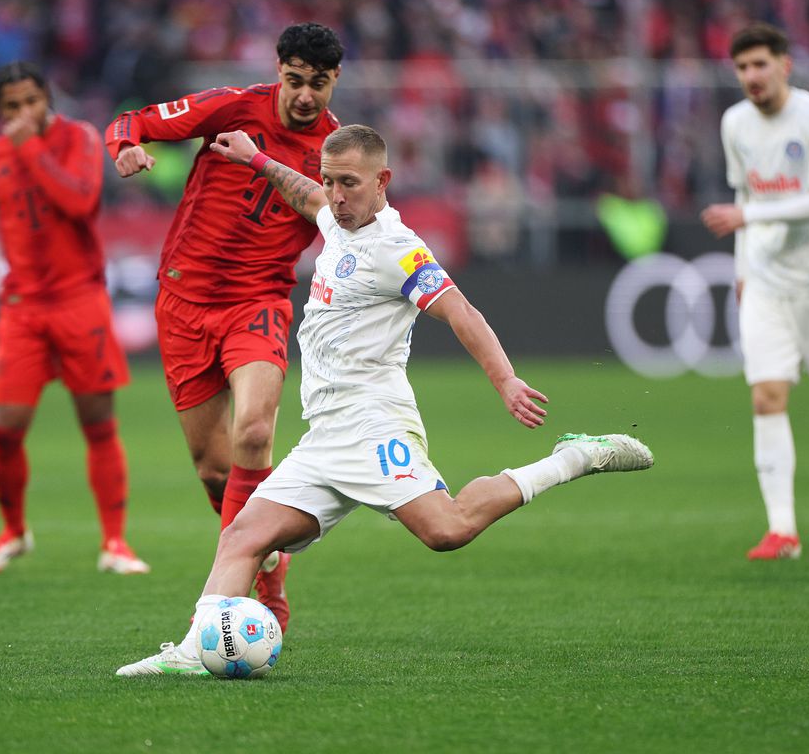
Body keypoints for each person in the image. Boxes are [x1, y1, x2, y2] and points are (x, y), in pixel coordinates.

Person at [114, 125, 654, 676]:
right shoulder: (336, 215)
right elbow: (307, 195)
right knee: (242, 537)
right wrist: (258, 160)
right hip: (325, 435)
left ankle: (576, 458)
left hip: (375, 426)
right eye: (331, 180)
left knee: (446, 531)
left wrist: (506, 381)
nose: (337, 195)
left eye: (349, 183)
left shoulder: (397, 250)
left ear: (383, 181)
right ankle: (192, 651)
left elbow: (462, 312)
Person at [103, 22, 344, 629]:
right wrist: (125, 149)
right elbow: (130, 120)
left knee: (255, 434)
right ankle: (267, 564)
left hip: (258, 301)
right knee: (213, 467)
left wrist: (259, 162)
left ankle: (233, 591)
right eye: (295, 81)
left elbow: (337, 214)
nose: (305, 96)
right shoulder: (233, 106)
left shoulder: (337, 149)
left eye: (318, 84)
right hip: (184, 302)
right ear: (279, 70)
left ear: (334, 80)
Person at [0, 61, 148, 576]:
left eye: (30, 102)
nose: (23, 114)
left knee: (98, 423)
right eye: (11, 108)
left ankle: (115, 542)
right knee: (6, 427)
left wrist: (31, 147)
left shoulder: (81, 139)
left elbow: (80, 201)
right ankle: (13, 531)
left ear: (48, 100)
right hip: (23, 308)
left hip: (80, 302)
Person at [701, 22, 809, 560]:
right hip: (767, 283)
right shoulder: (735, 124)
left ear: (785, 64)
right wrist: (740, 274)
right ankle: (782, 531)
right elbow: (741, 191)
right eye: (742, 68)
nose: (751, 76)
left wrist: (749, 216)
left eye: (760, 64)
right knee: (765, 396)